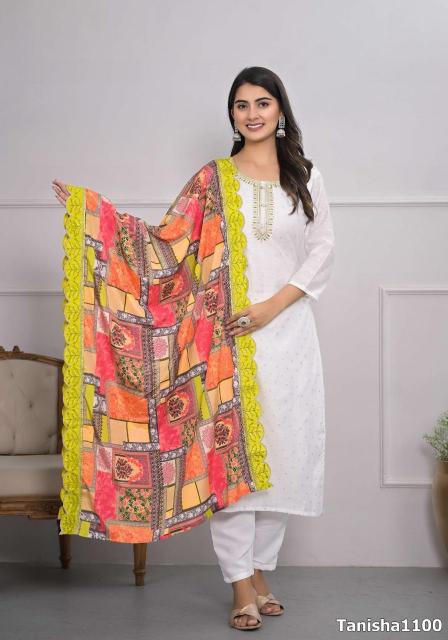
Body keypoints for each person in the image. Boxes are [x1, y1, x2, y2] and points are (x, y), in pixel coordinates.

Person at [52, 65, 335, 632]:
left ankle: (261, 571)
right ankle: (240, 586)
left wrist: (272, 307)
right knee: (228, 465)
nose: (252, 114)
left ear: (280, 110)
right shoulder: (213, 180)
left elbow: (322, 249)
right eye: (241, 105)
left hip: (289, 336)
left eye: (262, 103)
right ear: (232, 115)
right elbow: (166, 244)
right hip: (225, 341)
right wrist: (95, 214)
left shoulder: (305, 177)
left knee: (286, 462)